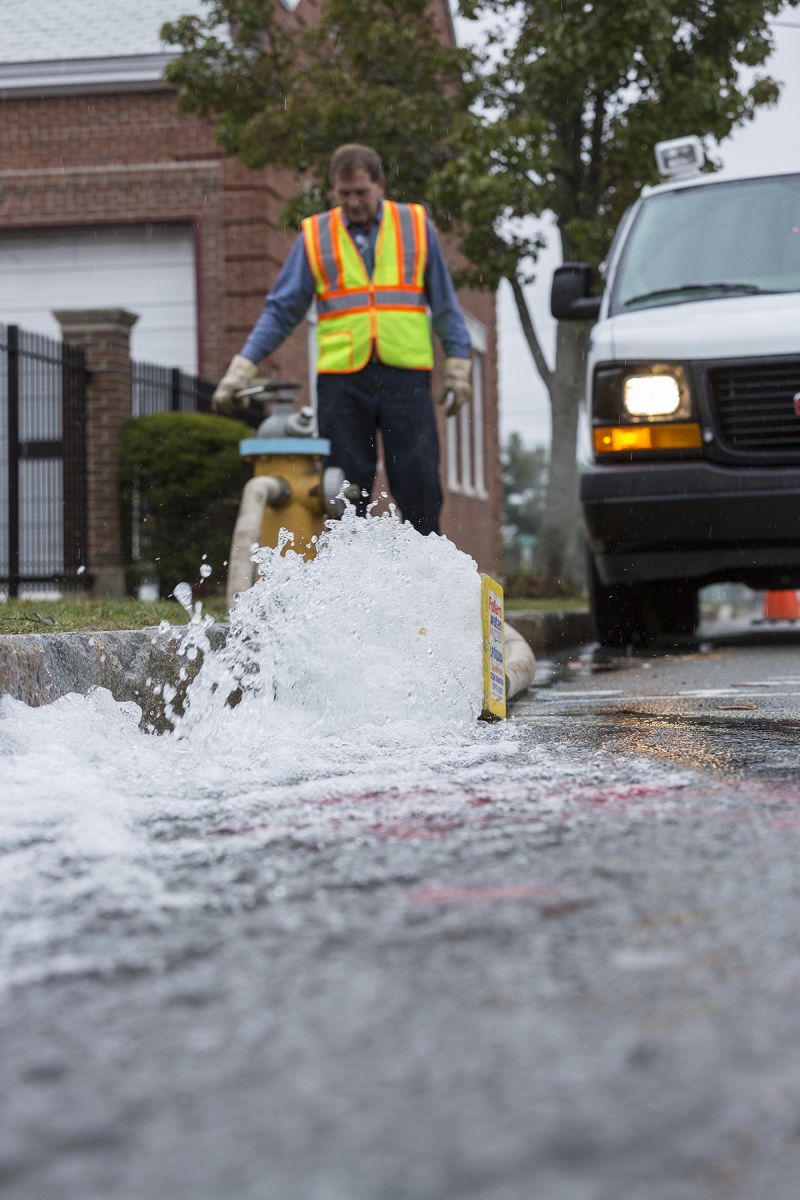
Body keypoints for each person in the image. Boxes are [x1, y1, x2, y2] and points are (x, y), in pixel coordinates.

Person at [212, 143, 472, 536]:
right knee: (343, 488)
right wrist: (243, 365)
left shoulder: (415, 226)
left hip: (405, 374)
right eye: (344, 194)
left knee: (417, 478)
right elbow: (282, 310)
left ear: (380, 184)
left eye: (361, 193)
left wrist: (458, 362)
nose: (352, 202)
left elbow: (445, 303)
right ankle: (348, 579)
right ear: (332, 190)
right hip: (342, 381)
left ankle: (425, 575)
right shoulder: (317, 235)